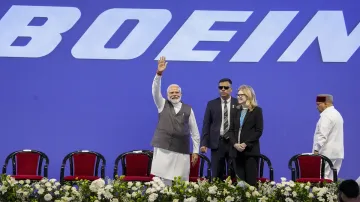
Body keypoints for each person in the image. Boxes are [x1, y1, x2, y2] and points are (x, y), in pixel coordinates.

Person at [150, 56, 200, 186]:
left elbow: (194, 131)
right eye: (171, 92)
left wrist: (195, 151)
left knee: (181, 183)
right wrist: (159, 74)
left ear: (181, 94)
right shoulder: (162, 104)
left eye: (177, 92)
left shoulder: (188, 109)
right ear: (167, 95)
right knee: (163, 183)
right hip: (163, 149)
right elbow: (155, 91)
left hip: (181, 150)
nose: (174, 94)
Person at [200, 78, 237, 180]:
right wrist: (204, 143)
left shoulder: (238, 103)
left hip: (233, 143)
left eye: (226, 87)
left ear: (231, 89)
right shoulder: (212, 104)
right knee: (216, 174)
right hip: (217, 143)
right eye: (221, 87)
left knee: (233, 173)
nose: (223, 89)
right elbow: (206, 124)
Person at [229, 85, 263, 186]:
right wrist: (235, 144)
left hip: (250, 152)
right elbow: (230, 131)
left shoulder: (257, 111)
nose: (238, 97)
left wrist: (245, 144)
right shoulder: (235, 111)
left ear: (248, 96)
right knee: (240, 184)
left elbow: (258, 131)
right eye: (238, 95)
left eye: (241, 95)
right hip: (236, 152)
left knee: (250, 184)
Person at [313, 94, 344, 181]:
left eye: (318, 104)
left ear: (326, 103)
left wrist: (316, 151)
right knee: (332, 180)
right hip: (337, 154)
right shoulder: (338, 115)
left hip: (326, 154)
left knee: (322, 179)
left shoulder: (326, 116)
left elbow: (322, 135)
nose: (317, 107)